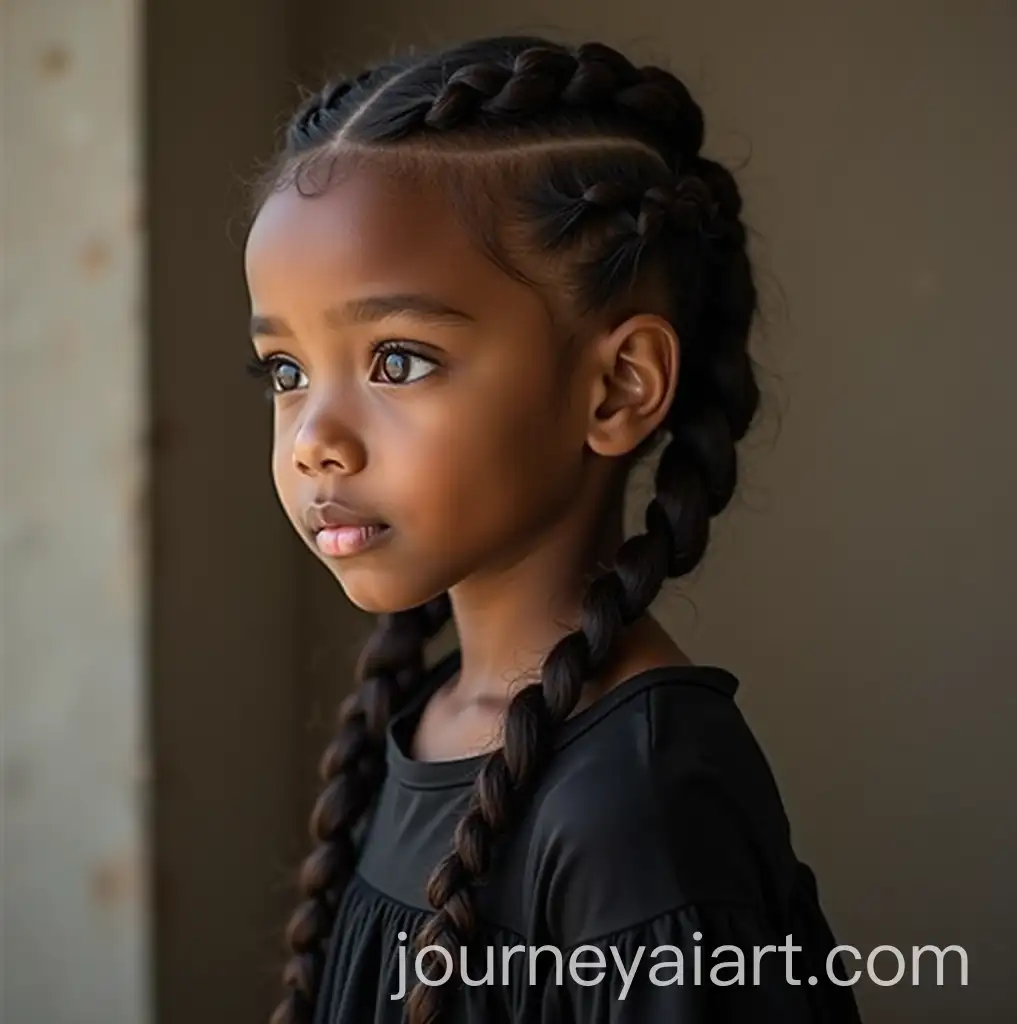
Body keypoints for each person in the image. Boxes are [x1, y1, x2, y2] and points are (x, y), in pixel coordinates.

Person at [243, 34, 863, 1024]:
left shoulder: (637, 804)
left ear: (617, 387)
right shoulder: (433, 721)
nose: (316, 439)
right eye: (284, 371)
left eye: (397, 360)